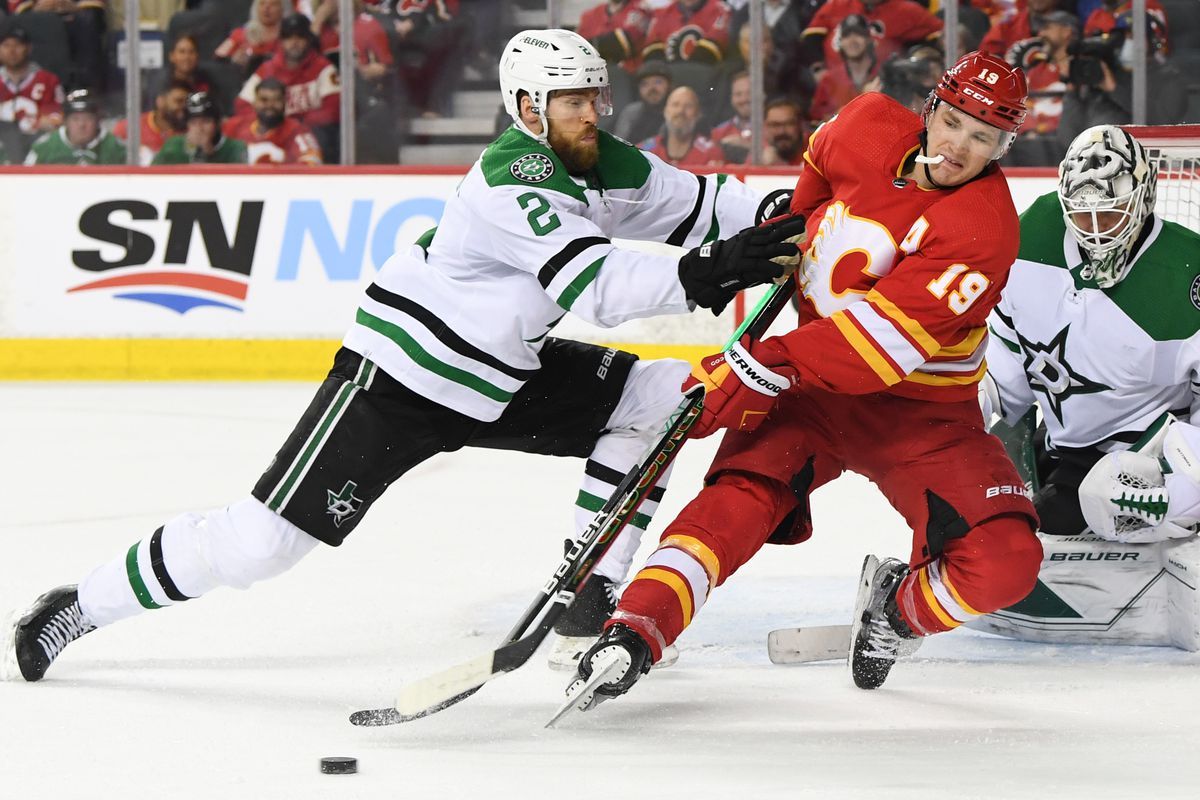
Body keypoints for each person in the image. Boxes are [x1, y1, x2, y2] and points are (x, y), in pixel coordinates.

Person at [2, 29, 803, 685]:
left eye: (594, 96)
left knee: (661, 395)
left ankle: (589, 586)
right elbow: (592, 282)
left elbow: (711, 201)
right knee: (258, 545)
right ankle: (82, 604)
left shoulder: (603, 159)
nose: (591, 112)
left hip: (502, 375)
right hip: (400, 382)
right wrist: (705, 272)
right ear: (528, 107)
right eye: (571, 101)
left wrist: (814, 202)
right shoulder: (510, 175)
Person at [563, 51, 1042, 712]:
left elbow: (882, 346)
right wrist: (787, 239)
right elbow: (812, 192)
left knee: (1006, 560)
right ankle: (635, 631)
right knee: (736, 501)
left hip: (921, 416)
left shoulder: (983, 226)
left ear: (1004, 145)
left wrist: (761, 366)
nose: (960, 145)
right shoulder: (864, 122)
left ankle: (895, 614)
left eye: (983, 137)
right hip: (811, 398)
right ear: (932, 107)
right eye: (954, 121)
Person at [972, 125, 1200, 650]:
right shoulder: (1034, 232)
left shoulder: (1186, 274)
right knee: (993, 510)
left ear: (1143, 199)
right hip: (1062, 446)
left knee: (1105, 497)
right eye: (1083, 214)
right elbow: (1008, 344)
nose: (1096, 231)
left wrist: (1179, 480)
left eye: (1111, 214)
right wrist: (974, 398)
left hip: (1152, 450)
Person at [235, 13, 340, 162]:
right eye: (288, 37)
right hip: (272, 132)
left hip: (310, 134)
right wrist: (268, 121)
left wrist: (296, 123)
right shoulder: (268, 69)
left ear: (309, 39)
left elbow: (333, 109)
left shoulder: (322, 67)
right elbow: (242, 105)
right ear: (281, 41)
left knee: (323, 133)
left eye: (300, 37)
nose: (294, 42)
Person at [0, 23, 63, 162]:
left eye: (17, 45)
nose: (11, 51)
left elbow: (57, 119)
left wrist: (29, 122)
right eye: (5, 45)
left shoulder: (48, 80)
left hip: (39, 146)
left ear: (28, 48)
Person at [222, 77, 322, 165]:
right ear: (254, 102)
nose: (270, 105)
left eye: (276, 100)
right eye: (264, 100)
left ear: (285, 102)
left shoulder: (297, 131)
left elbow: (313, 163)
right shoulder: (235, 126)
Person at [807, 13, 879, 124]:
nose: (852, 40)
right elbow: (816, 118)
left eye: (859, 34)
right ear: (840, 42)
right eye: (846, 36)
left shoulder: (883, 74)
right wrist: (863, 100)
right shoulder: (829, 79)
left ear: (869, 39)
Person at [24, 88, 124, 165]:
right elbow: (24, 179)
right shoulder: (44, 147)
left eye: (88, 118)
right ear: (65, 121)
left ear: (97, 121)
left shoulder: (116, 146)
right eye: (75, 119)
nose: (82, 125)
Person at [637, 85, 722, 167]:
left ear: (698, 114)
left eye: (688, 106)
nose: (680, 111)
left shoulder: (711, 152)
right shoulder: (645, 152)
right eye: (675, 104)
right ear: (665, 111)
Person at [153, 91, 248, 164]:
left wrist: (208, 155)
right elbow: (151, 177)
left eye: (206, 121)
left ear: (218, 123)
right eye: (193, 122)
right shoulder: (173, 144)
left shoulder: (235, 148)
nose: (199, 128)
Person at [113, 79, 190, 165]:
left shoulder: (190, 131)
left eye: (186, 102)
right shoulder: (129, 128)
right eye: (178, 101)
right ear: (161, 101)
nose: (184, 107)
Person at [215, 0, 291, 78]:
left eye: (273, 4)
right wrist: (232, 60)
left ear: (283, 9)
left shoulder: (289, 36)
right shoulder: (241, 33)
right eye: (262, 3)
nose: (266, 8)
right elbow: (218, 57)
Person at [611, 60, 671, 143]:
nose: (652, 88)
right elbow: (618, 145)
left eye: (658, 82)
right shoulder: (631, 112)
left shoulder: (678, 112)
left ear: (669, 85)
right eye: (645, 84)